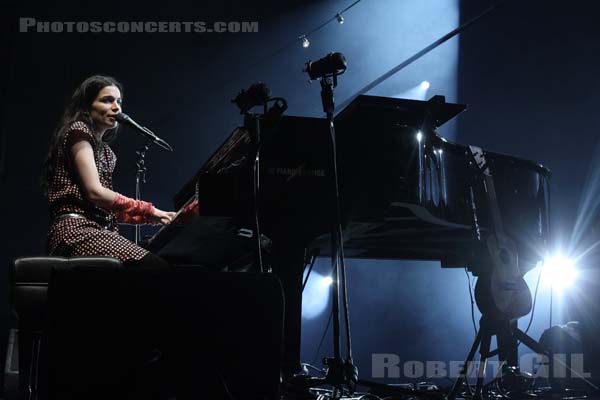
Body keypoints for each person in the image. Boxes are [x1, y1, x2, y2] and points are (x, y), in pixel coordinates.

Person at [43, 75, 176, 269]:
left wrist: (156, 217)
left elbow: (105, 208)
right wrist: (151, 211)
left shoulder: (107, 152)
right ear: (87, 106)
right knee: (154, 267)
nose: (116, 107)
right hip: (75, 232)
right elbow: (95, 193)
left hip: (96, 230)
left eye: (119, 101)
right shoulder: (78, 131)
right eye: (107, 100)